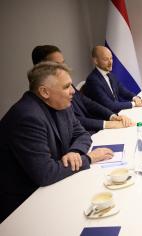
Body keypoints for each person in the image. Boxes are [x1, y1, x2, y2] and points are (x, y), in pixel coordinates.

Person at [0, 62, 113, 222]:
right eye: (67, 86)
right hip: (22, 206)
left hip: (53, 187)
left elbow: (82, 134)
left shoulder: (62, 104)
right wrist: (88, 158)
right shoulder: (27, 117)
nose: (73, 90)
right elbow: (45, 173)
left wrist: (75, 152)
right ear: (44, 92)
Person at [31, 45, 134, 133]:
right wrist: (108, 124)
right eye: (58, 65)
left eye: (63, 62)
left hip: (87, 132)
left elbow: (87, 102)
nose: (64, 67)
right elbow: (73, 121)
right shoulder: (45, 102)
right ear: (43, 68)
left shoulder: (68, 86)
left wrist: (112, 116)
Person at [83, 46, 142, 113]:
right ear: (96, 61)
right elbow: (110, 105)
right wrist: (134, 104)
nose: (110, 62)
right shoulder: (93, 80)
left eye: (111, 58)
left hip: (118, 112)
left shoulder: (111, 75)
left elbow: (124, 92)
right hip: (106, 119)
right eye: (106, 59)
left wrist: (135, 98)